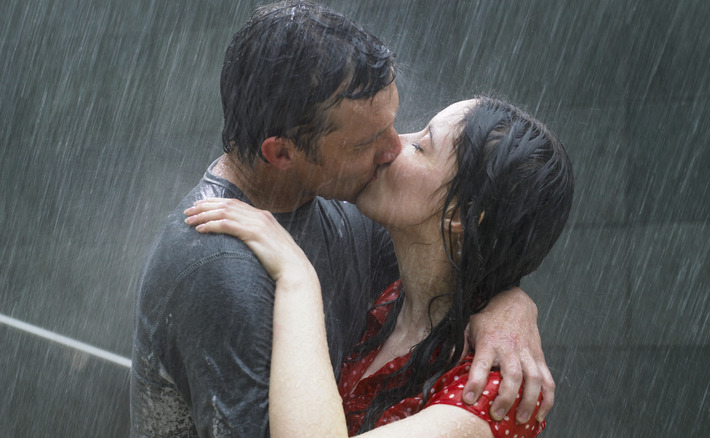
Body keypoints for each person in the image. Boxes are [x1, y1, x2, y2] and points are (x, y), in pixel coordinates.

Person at [131, 2, 554, 436]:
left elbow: (473, 251)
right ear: (281, 153)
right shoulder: (222, 273)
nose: (392, 149)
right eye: (368, 141)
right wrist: (299, 278)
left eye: (406, 133)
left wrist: (509, 303)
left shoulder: (354, 214)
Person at [185, 97, 574, 437]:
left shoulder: (495, 390)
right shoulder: (389, 290)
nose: (391, 145)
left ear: (464, 215)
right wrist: (513, 299)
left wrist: (297, 277)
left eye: (421, 146)